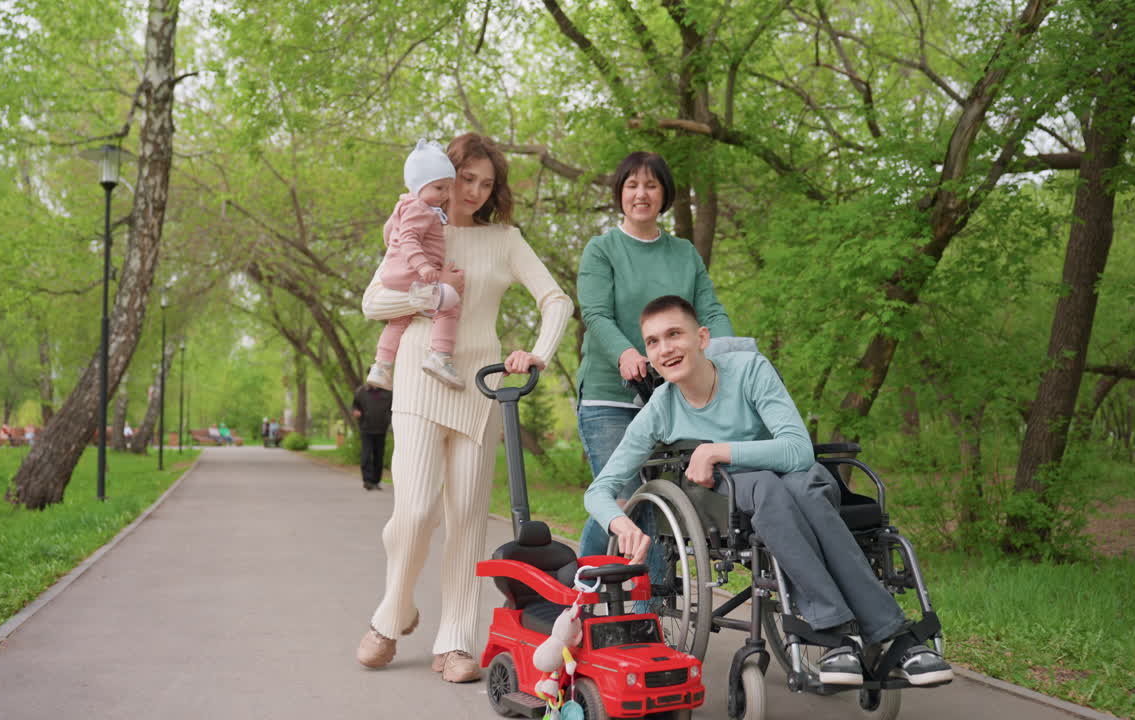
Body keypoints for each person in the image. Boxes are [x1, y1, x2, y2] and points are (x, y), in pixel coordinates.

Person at [585, 296, 954, 688]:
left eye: (675, 334)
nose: (666, 348)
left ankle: (840, 634)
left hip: (802, 482)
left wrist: (716, 450)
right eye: (654, 341)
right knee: (767, 486)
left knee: (800, 484)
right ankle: (884, 633)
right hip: (739, 495)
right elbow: (598, 491)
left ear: (702, 337)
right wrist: (621, 522)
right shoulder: (659, 409)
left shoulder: (749, 370)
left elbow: (797, 450)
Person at [356, 132, 573, 683]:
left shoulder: (504, 240)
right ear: (443, 175)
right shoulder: (416, 226)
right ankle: (392, 613)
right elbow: (372, 301)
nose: (473, 192)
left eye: (485, 183)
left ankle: (454, 641)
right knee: (414, 513)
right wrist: (430, 297)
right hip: (418, 381)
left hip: (480, 387)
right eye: (465, 179)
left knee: (467, 521)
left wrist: (538, 356)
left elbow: (556, 300)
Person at [575, 151, 733, 564]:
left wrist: (728, 355)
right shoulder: (602, 249)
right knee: (623, 496)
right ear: (620, 193)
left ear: (664, 194)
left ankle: (642, 606)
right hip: (610, 394)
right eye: (632, 185)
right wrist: (626, 352)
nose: (641, 194)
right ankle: (585, 589)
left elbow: (710, 311)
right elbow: (595, 314)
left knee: (663, 504)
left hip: (670, 394)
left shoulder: (683, 253)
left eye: (650, 185)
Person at [366, 139, 464, 391]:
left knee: (399, 320)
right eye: (439, 187)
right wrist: (422, 267)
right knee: (448, 304)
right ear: (419, 186)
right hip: (412, 274)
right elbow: (409, 239)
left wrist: (394, 247)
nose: (445, 194)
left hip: (396, 275)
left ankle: (382, 366)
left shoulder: (405, 204)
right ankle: (440, 356)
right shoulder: (422, 209)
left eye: (448, 188)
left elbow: (390, 233)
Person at [352, 383, 393, 490]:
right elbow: (355, 405)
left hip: (381, 429)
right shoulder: (361, 391)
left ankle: (376, 481)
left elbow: (392, 408)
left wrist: (388, 420)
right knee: (366, 454)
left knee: (379, 456)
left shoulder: (388, 392)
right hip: (366, 428)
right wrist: (356, 411)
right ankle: (367, 480)